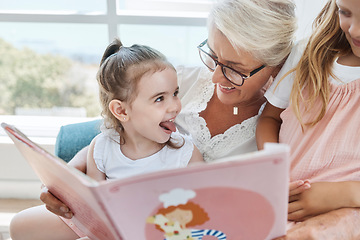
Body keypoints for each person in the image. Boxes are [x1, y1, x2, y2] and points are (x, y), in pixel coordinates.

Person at [13, 0, 360, 239]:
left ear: (276, 64)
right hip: (126, 209)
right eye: (213, 55)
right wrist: (65, 182)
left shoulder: (288, 116)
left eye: (235, 70)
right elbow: (114, 131)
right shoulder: (181, 79)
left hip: (189, 227)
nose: (217, 77)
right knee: (22, 227)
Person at [9, 38, 203, 240]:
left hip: (162, 231)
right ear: (121, 110)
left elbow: (205, 210)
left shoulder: (185, 153)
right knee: (19, 227)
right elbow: (95, 216)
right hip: (112, 233)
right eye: (160, 98)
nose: (175, 106)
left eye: (175, 93)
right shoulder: (101, 149)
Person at [256, 0, 360, 227]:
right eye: (345, 12)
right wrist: (273, 169)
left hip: (344, 216)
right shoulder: (308, 53)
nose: (355, 29)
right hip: (282, 202)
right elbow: (270, 118)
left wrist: (348, 193)